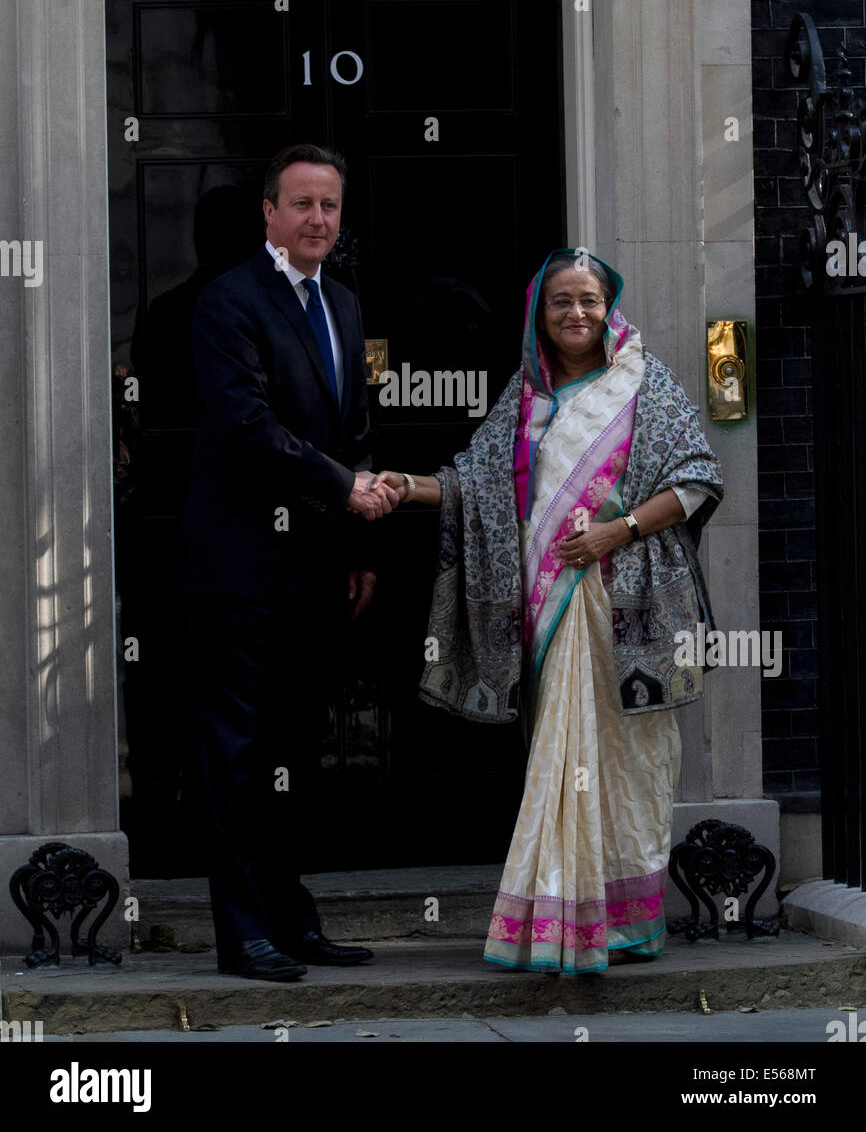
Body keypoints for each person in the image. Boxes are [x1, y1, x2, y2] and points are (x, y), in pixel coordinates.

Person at [372, 248, 723, 974]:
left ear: (608, 306)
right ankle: (562, 921)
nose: (576, 313)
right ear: (540, 313)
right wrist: (405, 485)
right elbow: (475, 486)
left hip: (623, 604)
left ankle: (621, 924)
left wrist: (613, 532)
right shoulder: (524, 397)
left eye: (589, 299)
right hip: (543, 603)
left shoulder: (643, 385)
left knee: (626, 760)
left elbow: (694, 480)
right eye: (561, 301)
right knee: (558, 759)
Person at [181, 143, 398, 983]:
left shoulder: (342, 303)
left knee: (293, 755)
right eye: (302, 204)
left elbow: (354, 430)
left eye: (330, 207)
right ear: (268, 212)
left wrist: (361, 543)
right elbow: (245, 425)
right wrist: (343, 488)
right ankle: (243, 934)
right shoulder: (227, 302)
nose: (318, 220)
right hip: (236, 568)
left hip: (316, 568)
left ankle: (289, 915)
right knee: (233, 754)